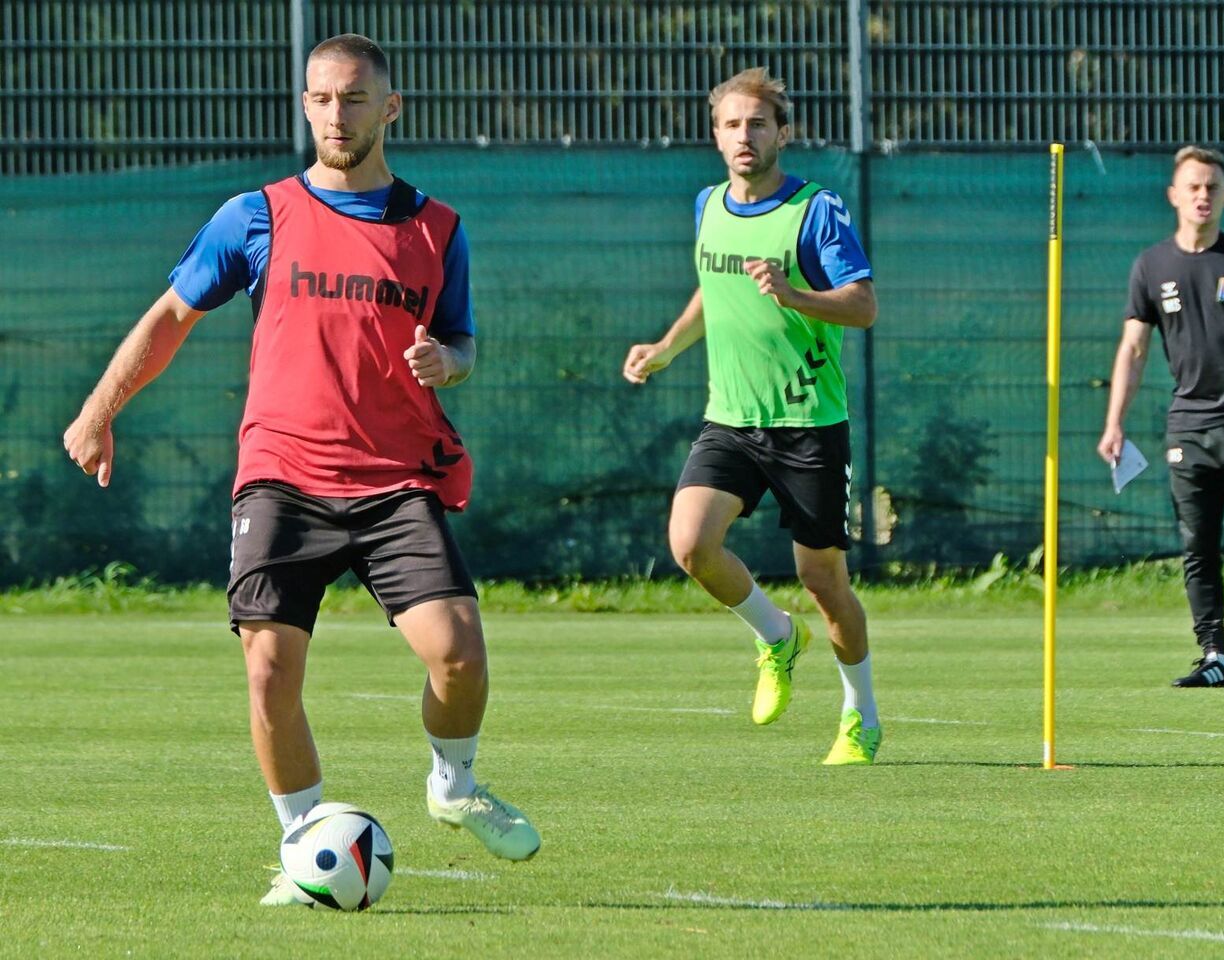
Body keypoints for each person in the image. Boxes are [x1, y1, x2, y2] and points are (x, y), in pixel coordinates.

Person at [62, 33, 540, 905]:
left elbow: (462, 338)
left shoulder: (437, 229)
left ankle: (453, 782)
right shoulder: (257, 215)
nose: (334, 114)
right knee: (269, 672)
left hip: (396, 480)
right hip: (282, 474)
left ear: (388, 110)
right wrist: (99, 411)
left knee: (461, 658)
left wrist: (452, 364)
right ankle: (303, 846)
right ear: (305, 105)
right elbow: (173, 313)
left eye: (353, 99)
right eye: (320, 98)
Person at [622, 68, 881, 764]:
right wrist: (668, 347)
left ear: (783, 133)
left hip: (809, 425)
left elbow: (862, 305)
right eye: (733, 124)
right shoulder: (707, 204)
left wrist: (797, 296)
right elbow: (714, 289)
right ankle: (775, 635)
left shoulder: (815, 210)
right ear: (716, 135)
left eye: (758, 123)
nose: (745, 135)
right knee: (690, 545)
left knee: (825, 583)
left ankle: (860, 712)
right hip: (732, 420)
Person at [1098, 145, 1224, 688]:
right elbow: (1135, 347)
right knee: (1198, 545)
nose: (1202, 196)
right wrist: (1114, 421)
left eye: (1212, 187)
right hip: (1188, 427)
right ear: (1174, 195)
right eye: (1193, 186)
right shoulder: (1152, 265)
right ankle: (1215, 656)